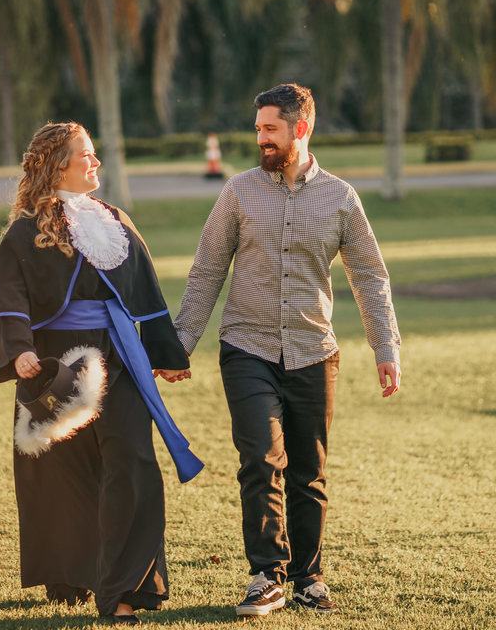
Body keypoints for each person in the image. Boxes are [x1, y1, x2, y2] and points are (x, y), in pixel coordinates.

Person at [174, 83, 401, 617]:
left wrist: (385, 347)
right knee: (260, 458)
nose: (261, 139)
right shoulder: (238, 192)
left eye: (270, 129)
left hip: (312, 350)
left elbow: (369, 275)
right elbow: (208, 267)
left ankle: (308, 577)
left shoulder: (342, 198)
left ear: (301, 129)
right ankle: (265, 575)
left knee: (308, 471)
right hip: (246, 346)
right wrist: (182, 342)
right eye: (258, 129)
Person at [0, 122, 201, 626]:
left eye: (95, 156)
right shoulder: (27, 229)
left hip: (118, 359)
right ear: (58, 166)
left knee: (133, 462)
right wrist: (18, 351)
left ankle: (125, 592)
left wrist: (165, 353)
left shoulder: (114, 221)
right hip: (54, 362)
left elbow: (146, 292)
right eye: (86, 156)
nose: (95, 164)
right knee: (61, 473)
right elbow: (6, 295)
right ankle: (72, 572)